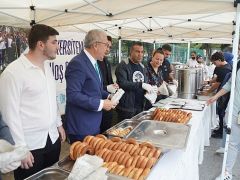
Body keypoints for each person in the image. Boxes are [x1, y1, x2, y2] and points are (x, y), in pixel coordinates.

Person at [0, 24, 66, 180]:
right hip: (30, 147)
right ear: (41, 44)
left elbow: (51, 98)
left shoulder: (47, 67)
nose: (58, 46)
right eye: (54, 42)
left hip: (52, 139)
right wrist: (20, 149)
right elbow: (9, 115)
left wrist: (59, 124)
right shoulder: (13, 72)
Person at [65, 29, 117, 143]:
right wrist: (101, 104)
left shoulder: (94, 62)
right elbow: (73, 95)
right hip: (81, 127)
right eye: (106, 45)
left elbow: (94, 89)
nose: (107, 49)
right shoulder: (78, 63)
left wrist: (108, 96)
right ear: (95, 45)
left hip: (93, 123)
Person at [207, 61, 240, 180]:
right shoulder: (238, 65)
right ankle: (227, 172)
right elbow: (230, 84)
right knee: (232, 144)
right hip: (235, 111)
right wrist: (215, 96)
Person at [115, 42, 157, 121]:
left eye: (142, 52)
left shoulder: (142, 66)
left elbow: (145, 82)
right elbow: (123, 84)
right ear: (131, 52)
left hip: (140, 106)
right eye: (137, 51)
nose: (140, 54)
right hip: (126, 108)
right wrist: (141, 85)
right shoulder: (123, 65)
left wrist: (150, 90)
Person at [205, 52, 232, 138]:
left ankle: (221, 132)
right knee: (221, 112)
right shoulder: (227, 66)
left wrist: (208, 92)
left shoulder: (223, 69)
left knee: (221, 112)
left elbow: (217, 83)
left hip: (224, 95)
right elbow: (216, 79)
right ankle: (220, 130)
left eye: (214, 62)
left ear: (220, 60)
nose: (214, 64)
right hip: (223, 93)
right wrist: (209, 82)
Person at [97, 35, 119, 133]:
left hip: (108, 102)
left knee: (106, 130)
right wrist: (107, 88)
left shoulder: (107, 62)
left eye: (110, 47)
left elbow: (108, 80)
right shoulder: (94, 62)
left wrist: (114, 86)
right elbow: (93, 87)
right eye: (106, 46)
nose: (108, 49)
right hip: (98, 103)